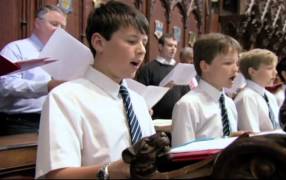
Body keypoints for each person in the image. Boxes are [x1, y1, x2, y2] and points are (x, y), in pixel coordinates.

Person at [35, 1, 155, 179]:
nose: (142, 50)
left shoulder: (137, 101)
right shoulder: (66, 98)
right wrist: (113, 170)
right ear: (99, 43)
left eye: (144, 43)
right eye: (132, 41)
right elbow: (57, 175)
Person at [0, 5, 67, 135]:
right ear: (37, 23)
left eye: (63, 27)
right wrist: (45, 87)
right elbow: (4, 85)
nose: (59, 31)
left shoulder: (63, 54)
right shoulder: (15, 49)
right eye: (54, 24)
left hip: (56, 121)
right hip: (21, 122)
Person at [171, 33, 244, 147]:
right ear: (205, 66)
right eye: (228, 63)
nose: (236, 69)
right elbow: (182, 155)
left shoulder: (229, 103)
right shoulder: (188, 105)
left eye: (236, 63)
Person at [136, 33, 190, 119]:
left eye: (175, 46)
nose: (173, 49)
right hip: (155, 119)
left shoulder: (180, 69)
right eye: (170, 45)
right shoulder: (148, 68)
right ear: (160, 47)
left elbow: (186, 95)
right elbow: (140, 96)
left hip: (177, 119)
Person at [234, 48, 281, 132]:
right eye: (270, 68)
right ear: (252, 72)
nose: (275, 72)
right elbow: (251, 133)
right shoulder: (247, 97)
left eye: (275, 68)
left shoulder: (269, 96)